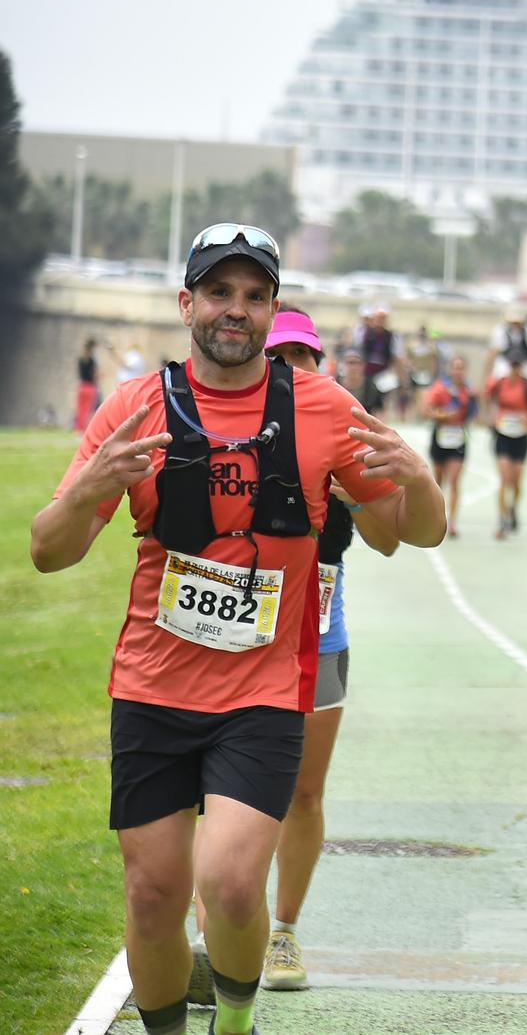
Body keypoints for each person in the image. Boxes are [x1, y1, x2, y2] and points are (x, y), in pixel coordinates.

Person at [29, 223, 445, 1035]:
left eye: (255, 296)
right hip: (152, 687)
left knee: (227, 881)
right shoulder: (138, 406)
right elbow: (49, 551)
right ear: (187, 302)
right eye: (220, 292)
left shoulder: (324, 407)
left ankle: (237, 1018)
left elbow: (416, 529)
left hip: (263, 691)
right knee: (152, 895)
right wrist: (88, 492)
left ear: (273, 310)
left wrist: (419, 478)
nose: (237, 311)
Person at [189, 308, 405, 997]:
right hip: (228, 636)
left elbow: (393, 538)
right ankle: (207, 939)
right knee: (214, 795)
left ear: (320, 362)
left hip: (320, 635)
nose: (291, 367)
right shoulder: (218, 427)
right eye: (279, 354)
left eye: (303, 355)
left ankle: (282, 931)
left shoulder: (339, 435)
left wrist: (360, 498)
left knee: (303, 792)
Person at [485, 353, 527, 539]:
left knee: (516, 481)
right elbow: (485, 398)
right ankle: (502, 520)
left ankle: (512, 509)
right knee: (504, 479)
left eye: (518, 366)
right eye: (512, 365)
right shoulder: (499, 383)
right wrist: (491, 417)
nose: (515, 369)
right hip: (503, 435)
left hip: (521, 436)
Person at [426, 354, 476, 538]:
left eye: (461, 367)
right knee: (438, 482)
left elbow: (474, 412)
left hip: (458, 439)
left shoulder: (469, 391)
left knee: (454, 480)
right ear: (450, 370)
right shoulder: (441, 388)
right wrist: (442, 415)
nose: (458, 371)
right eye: (455, 367)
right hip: (441, 437)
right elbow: (427, 410)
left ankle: (452, 521)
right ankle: (435, 518)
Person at [483, 305, 527, 397]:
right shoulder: (501, 332)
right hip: (507, 367)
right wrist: (487, 379)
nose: (516, 325)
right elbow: (492, 355)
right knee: (492, 386)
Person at [77, 337, 103, 432]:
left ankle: (79, 430)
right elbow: (95, 375)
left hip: (81, 386)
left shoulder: (81, 359)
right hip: (90, 387)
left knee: (81, 409)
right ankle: (85, 430)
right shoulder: (93, 361)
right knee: (89, 410)